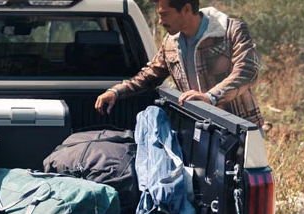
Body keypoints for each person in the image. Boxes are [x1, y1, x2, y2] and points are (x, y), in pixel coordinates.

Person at [95, 0, 263, 127]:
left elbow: (247, 71)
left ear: (186, 9)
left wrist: (210, 97)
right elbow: (150, 75)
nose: (160, 21)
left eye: (164, 14)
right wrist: (116, 92)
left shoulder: (231, 30)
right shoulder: (171, 41)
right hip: (200, 127)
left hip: (238, 127)